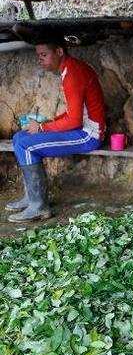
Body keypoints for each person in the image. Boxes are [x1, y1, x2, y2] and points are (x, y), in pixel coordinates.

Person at [6, 32, 106, 222]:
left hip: (89, 134)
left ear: (59, 51)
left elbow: (75, 120)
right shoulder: (70, 68)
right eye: (38, 56)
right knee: (20, 137)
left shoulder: (73, 73)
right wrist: (45, 124)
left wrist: (43, 128)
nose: (40, 60)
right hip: (82, 128)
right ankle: (31, 197)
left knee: (25, 145)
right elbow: (72, 114)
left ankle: (39, 206)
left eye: (44, 55)